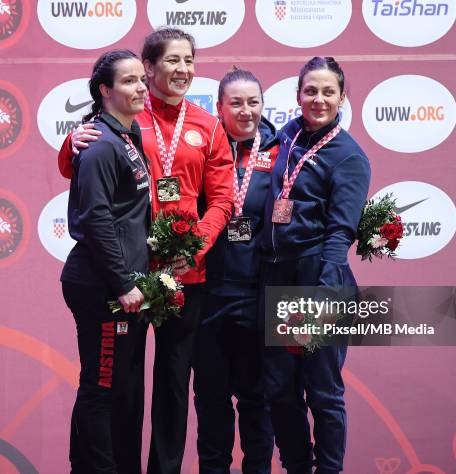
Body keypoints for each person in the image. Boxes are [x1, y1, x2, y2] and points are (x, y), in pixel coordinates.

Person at [58, 28, 234, 474]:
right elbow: (78, 168)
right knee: (122, 383)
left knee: (174, 383)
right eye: (172, 61)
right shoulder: (127, 115)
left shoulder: (208, 125)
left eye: (189, 61)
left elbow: (222, 201)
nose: (183, 70)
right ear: (149, 67)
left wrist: (196, 248)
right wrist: (69, 142)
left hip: (184, 275)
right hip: (130, 273)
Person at [261, 57, 371, 473]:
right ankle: (296, 467)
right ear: (297, 96)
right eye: (311, 91)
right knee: (280, 389)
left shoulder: (349, 157)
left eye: (328, 92)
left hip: (320, 282)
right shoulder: (287, 136)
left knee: (322, 391)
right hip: (280, 278)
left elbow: (340, 234)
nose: (319, 99)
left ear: (342, 97)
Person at [60, 49, 151, 474]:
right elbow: (95, 217)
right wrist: (121, 282)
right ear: (104, 90)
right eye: (129, 81)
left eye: (141, 80)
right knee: (100, 385)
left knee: (120, 387)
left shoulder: (125, 138)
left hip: (122, 284)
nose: (140, 88)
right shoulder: (99, 145)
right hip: (103, 288)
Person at [192, 68, 279, 473]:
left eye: (253, 102)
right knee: (210, 400)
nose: (246, 111)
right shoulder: (203, 150)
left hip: (259, 298)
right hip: (207, 296)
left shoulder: (282, 150)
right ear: (220, 108)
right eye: (237, 103)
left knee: (257, 400)